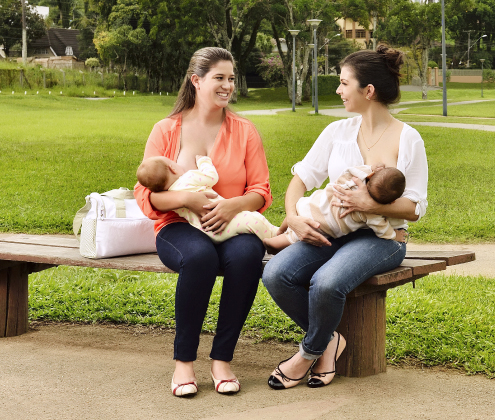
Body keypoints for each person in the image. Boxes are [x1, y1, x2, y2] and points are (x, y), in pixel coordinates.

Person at [262, 45, 428, 390]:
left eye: (343, 83)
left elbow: (414, 208)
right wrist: (292, 217)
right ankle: (330, 340)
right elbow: (302, 178)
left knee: (326, 281)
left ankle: (307, 354)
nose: (338, 90)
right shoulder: (337, 132)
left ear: (368, 91)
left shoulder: (407, 139)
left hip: (381, 239)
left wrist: (368, 204)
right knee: (277, 273)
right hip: (331, 230)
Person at [133, 47, 272, 397]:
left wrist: (231, 206)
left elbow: (261, 190)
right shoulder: (166, 130)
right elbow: (146, 195)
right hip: (178, 227)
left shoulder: (244, 131)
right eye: (219, 78)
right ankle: (183, 363)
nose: (227, 86)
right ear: (196, 81)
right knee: (200, 258)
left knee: (245, 257)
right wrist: (187, 199)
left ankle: (222, 359)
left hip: (232, 222)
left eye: (231, 78)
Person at [262, 164, 406, 254]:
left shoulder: (356, 175)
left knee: (299, 210)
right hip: (320, 224)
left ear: (372, 175)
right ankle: (270, 243)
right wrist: (395, 235)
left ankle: (279, 230)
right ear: (392, 201)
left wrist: (372, 169)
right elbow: (382, 230)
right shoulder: (370, 213)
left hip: (313, 203)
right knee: (291, 238)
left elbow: (352, 169)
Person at [136, 155, 278, 243]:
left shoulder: (171, 199)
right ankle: (274, 237)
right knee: (252, 219)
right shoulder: (189, 178)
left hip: (209, 232)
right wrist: (204, 161)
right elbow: (211, 177)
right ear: (172, 168)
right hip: (224, 221)